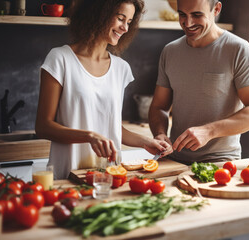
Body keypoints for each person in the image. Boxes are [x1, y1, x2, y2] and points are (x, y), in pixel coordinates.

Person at [35, 0, 171, 179]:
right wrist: (89, 136)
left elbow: (112, 128)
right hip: (69, 174)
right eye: (121, 19)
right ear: (99, 13)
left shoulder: (121, 68)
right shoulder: (60, 59)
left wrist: (145, 141)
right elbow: (43, 126)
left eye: (129, 22)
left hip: (109, 175)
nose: (125, 28)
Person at [149, 0, 249, 165]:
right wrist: (160, 134)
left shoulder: (239, 50)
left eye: (197, 15)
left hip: (220, 162)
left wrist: (209, 131)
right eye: (182, 14)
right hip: (174, 159)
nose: (187, 23)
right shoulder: (170, 51)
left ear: (216, 9)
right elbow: (159, 107)